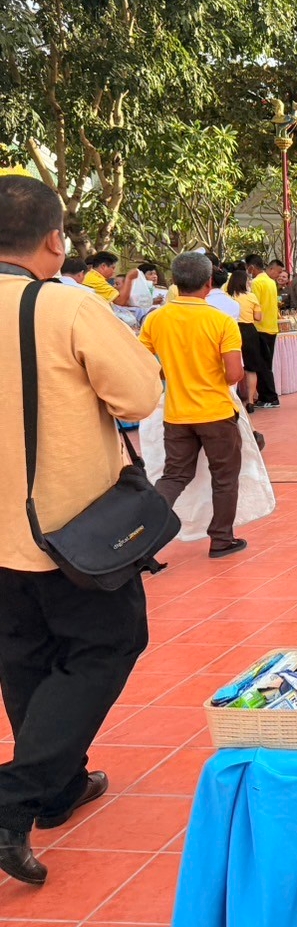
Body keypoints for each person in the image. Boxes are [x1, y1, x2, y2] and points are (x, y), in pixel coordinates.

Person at [0, 176, 162, 886]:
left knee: (24, 658)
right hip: (71, 534)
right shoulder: (65, 304)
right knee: (106, 645)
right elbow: (139, 395)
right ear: (54, 239)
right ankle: (13, 798)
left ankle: (60, 786)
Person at [139, 253, 248, 560]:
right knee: (224, 477)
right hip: (216, 412)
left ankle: (142, 543)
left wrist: (171, 374)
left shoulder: (156, 319)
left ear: (174, 282)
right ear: (209, 282)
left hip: (176, 413)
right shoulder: (221, 321)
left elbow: (143, 364)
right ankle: (221, 538)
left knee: (174, 476)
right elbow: (234, 374)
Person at [226, 264, 266, 411]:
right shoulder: (251, 297)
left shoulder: (227, 296)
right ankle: (250, 401)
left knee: (231, 364)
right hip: (249, 331)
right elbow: (258, 317)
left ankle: (232, 399)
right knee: (251, 367)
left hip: (231, 329)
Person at [245, 255, 281, 409]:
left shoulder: (256, 283)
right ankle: (266, 396)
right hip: (271, 326)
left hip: (260, 327)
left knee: (262, 365)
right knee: (266, 363)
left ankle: (270, 397)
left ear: (251, 267)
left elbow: (255, 305)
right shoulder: (270, 282)